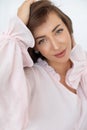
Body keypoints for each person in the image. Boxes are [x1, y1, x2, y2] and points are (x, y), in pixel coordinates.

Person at [0, 0, 87, 130]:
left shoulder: (82, 65)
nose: (56, 46)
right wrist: (15, 30)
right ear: (35, 47)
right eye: (42, 40)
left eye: (58, 31)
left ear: (68, 27)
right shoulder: (29, 80)